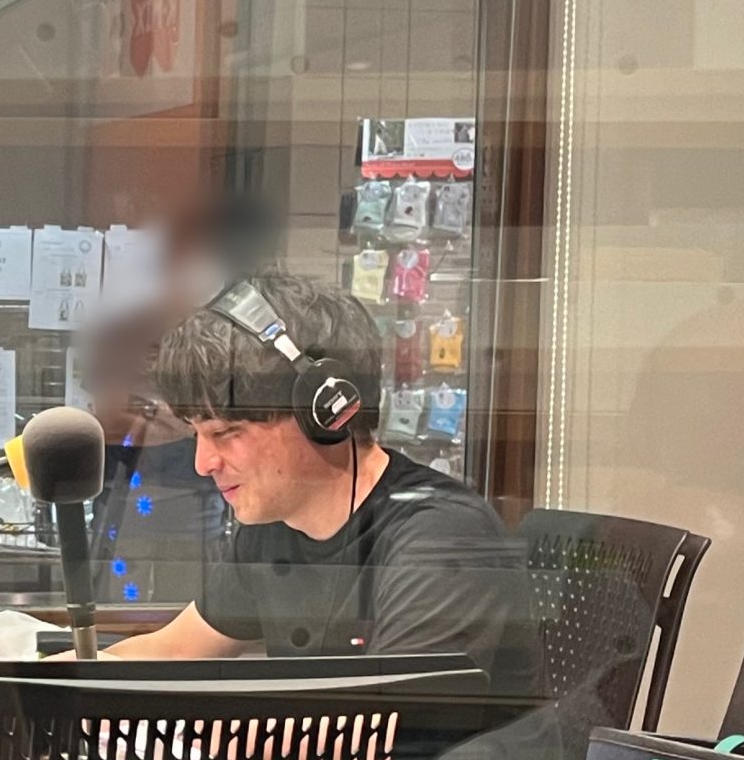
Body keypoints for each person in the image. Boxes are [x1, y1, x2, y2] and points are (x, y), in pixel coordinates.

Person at [102, 271, 542, 698]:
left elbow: (383, 724)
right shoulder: (273, 525)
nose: (203, 464)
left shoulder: (442, 537)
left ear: (325, 411)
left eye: (226, 432)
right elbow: (177, 650)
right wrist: (67, 674)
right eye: (197, 434)